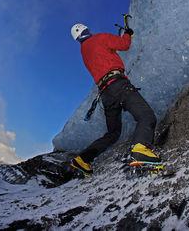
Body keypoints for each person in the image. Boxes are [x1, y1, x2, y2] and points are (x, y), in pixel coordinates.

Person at [69, 23, 162, 177]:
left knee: (113, 133)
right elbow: (124, 45)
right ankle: (140, 150)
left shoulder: (84, 52)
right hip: (119, 84)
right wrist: (128, 33)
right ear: (86, 30)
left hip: (106, 94)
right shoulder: (99, 38)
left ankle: (82, 159)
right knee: (146, 115)